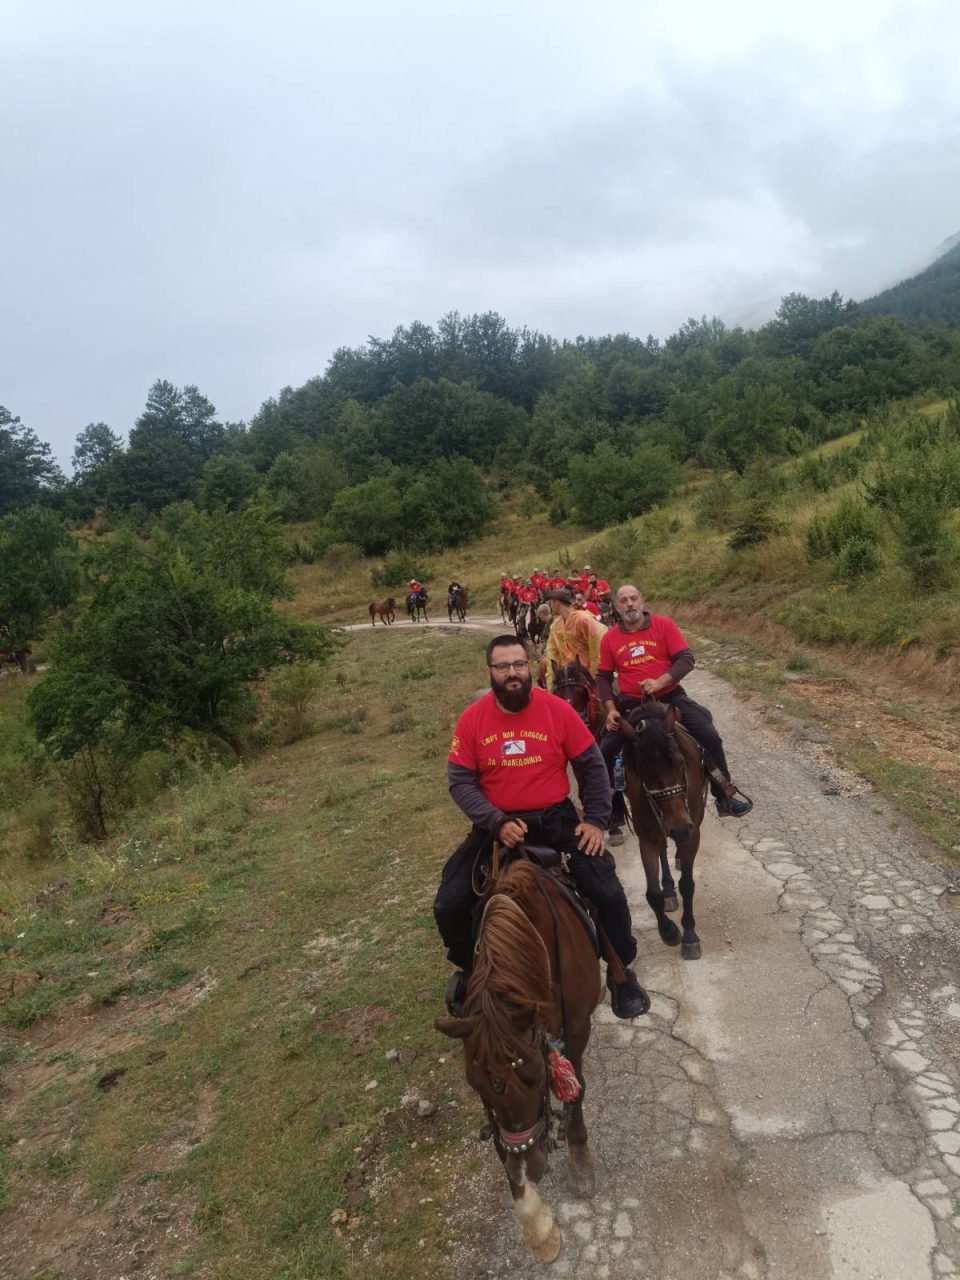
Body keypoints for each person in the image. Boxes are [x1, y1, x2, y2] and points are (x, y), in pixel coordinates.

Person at [434, 634, 649, 1020]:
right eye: (502, 666)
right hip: (494, 827)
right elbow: (460, 782)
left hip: (555, 820)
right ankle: (471, 972)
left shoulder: (557, 710)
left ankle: (621, 971)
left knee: (607, 890)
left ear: (529, 667)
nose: (512, 673)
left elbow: (591, 767)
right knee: (449, 902)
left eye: (518, 664)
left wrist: (597, 821)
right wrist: (495, 821)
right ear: (491, 672)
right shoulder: (472, 719)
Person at [597, 585, 753, 832]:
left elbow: (686, 659)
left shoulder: (664, 625)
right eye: (623, 600)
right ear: (617, 606)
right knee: (604, 750)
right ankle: (609, 810)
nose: (629, 604)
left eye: (633, 598)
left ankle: (724, 794)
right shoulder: (610, 638)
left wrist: (660, 681)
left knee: (708, 733)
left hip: (670, 698)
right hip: (630, 704)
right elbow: (603, 677)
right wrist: (610, 708)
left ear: (642, 600)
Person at [542, 588, 606, 690]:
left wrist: (594, 677)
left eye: (551, 602)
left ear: (557, 603)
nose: (550, 606)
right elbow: (551, 654)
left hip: (587, 674)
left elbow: (599, 645)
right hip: (566, 675)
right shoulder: (555, 625)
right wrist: (551, 684)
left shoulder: (582, 619)